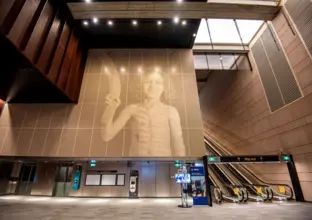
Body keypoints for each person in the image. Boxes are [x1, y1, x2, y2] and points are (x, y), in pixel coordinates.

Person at [101, 69, 186, 157]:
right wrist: (110, 109)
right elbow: (106, 135)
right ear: (140, 85)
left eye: (158, 82)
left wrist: (181, 168)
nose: (152, 87)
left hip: (162, 165)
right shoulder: (131, 109)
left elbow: (178, 145)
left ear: (165, 86)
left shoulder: (171, 111)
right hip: (136, 165)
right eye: (147, 82)